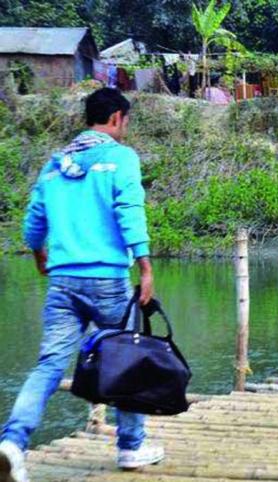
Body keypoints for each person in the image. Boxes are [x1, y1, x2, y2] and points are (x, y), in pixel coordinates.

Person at [0, 88, 164, 482]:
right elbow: (128, 210)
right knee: (124, 360)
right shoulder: (120, 158)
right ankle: (130, 446)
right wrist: (144, 266)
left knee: (50, 365)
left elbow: (35, 218)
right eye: (125, 120)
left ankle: (12, 444)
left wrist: (40, 254)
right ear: (116, 119)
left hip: (63, 281)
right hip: (106, 279)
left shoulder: (55, 165)